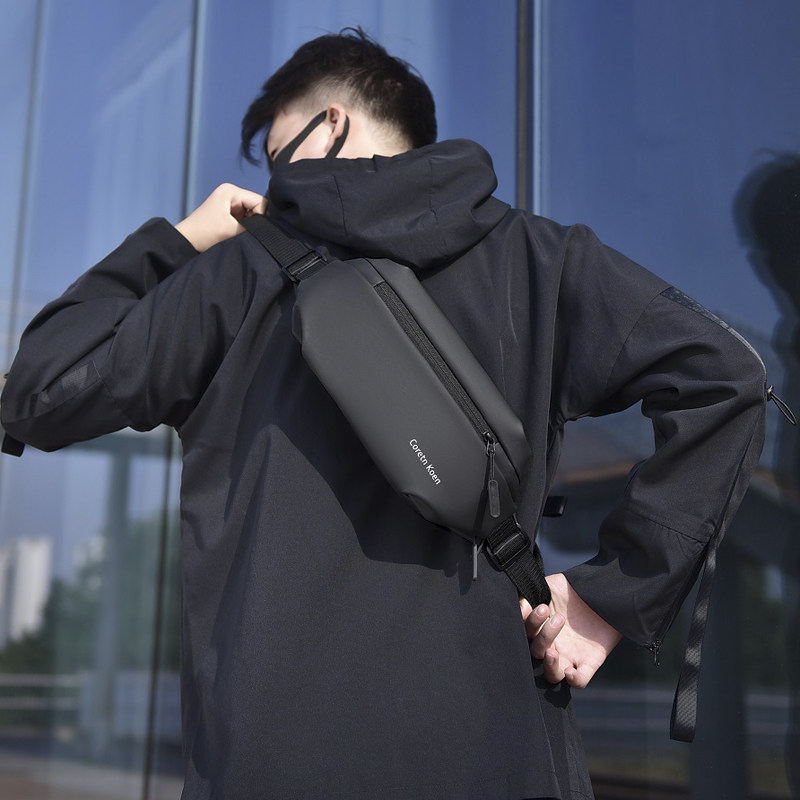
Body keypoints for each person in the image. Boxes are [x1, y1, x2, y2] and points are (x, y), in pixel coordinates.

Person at [0, 28, 767, 800]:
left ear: (332, 123)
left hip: (270, 758)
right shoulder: (539, 261)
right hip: (498, 755)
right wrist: (612, 598)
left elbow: (40, 389)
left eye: (277, 152)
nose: (270, 187)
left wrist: (177, 241)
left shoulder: (231, 279)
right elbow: (724, 376)